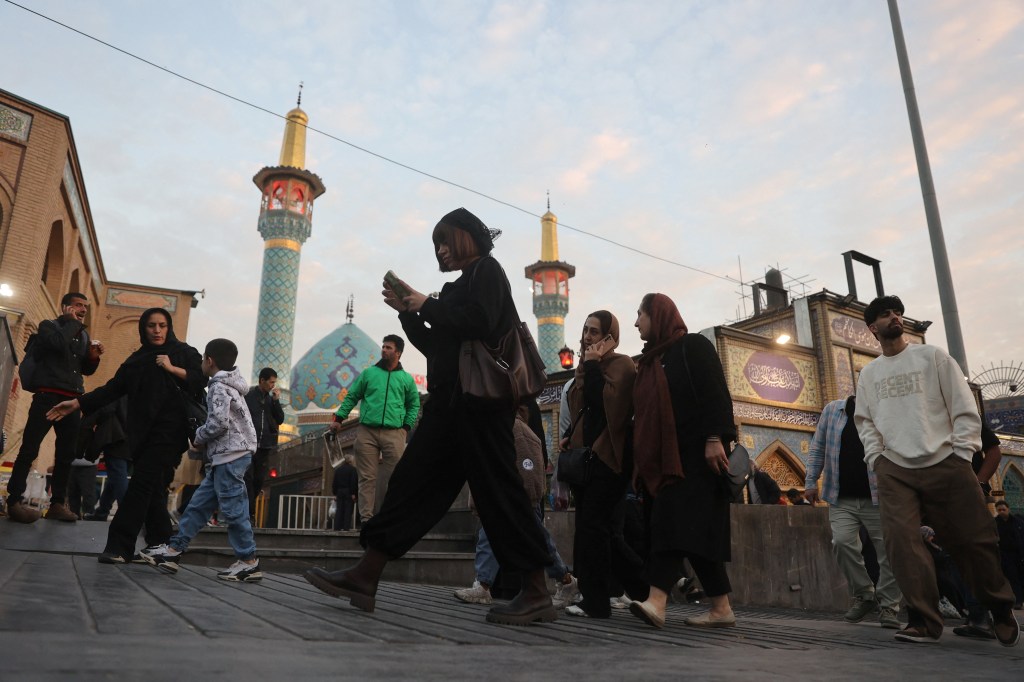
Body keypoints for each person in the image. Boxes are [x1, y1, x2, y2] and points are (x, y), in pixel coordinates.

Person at [303, 207, 555, 626]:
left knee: (499, 494)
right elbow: (439, 346)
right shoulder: (456, 288)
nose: (441, 250)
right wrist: (408, 311)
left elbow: (482, 321)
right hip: (450, 406)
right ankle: (367, 575)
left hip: (482, 407)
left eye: (445, 240)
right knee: (412, 485)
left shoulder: (488, 272)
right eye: (436, 244)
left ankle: (536, 589)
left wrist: (427, 304)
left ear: (465, 237)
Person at [854, 294, 1019, 646]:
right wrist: (877, 458)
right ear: (873, 328)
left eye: (898, 312)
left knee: (973, 541)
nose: (895, 318)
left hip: (947, 462)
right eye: (886, 315)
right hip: (894, 468)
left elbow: (963, 407)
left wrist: (961, 454)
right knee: (901, 543)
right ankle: (924, 621)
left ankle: (999, 608)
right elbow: (865, 421)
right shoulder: (869, 374)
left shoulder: (933, 358)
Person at [47, 308, 206, 564]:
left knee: (140, 485)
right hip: (142, 434)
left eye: (162, 325)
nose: (156, 331)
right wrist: (77, 403)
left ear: (169, 327)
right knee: (152, 489)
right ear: (143, 328)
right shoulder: (137, 360)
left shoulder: (183, 353)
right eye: (151, 326)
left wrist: (171, 367)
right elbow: (112, 389)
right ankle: (161, 545)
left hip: (169, 431)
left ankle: (119, 546)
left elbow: (199, 380)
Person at [628, 293, 738, 630]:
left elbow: (715, 393)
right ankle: (721, 609)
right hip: (668, 461)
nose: (636, 323)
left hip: (698, 457)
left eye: (640, 315)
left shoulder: (692, 347)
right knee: (697, 534)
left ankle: (657, 602)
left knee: (670, 525)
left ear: (657, 315)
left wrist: (714, 437)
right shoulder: (649, 362)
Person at [142, 339, 262, 582]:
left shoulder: (218, 387)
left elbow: (219, 422)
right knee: (198, 506)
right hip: (226, 456)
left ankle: (248, 561)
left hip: (231, 454)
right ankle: (174, 551)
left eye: (202, 359)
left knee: (233, 510)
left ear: (209, 361)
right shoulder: (233, 386)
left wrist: (198, 436)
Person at [562, 310, 647, 618]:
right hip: (588, 459)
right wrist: (571, 437)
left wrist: (594, 365)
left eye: (595, 332)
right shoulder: (585, 368)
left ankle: (598, 602)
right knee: (598, 531)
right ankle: (643, 589)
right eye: (585, 330)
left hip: (611, 459)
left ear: (611, 337)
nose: (587, 336)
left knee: (594, 529)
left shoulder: (622, 365)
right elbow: (586, 411)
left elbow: (606, 403)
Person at [455, 404, 577, 607]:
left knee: (540, 541)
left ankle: (566, 580)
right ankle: (483, 585)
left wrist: (526, 501)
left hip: (520, 501)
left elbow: (529, 468)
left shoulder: (518, 429)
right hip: (500, 498)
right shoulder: (495, 427)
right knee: (489, 537)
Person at [805, 396, 902, 629]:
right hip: (841, 496)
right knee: (842, 542)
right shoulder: (832, 411)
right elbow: (818, 446)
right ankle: (865, 594)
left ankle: (889, 606)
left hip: (878, 497)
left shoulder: (885, 409)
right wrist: (811, 481)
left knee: (887, 552)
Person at [6, 292, 102, 523]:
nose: (82, 310)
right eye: (78, 306)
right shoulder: (49, 325)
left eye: (85, 308)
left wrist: (93, 357)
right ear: (65, 307)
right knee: (30, 448)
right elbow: (56, 344)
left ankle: (58, 503)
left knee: (66, 454)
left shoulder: (83, 334)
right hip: (47, 397)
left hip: (71, 402)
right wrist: (71, 323)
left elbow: (85, 371)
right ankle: (13, 501)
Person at [329, 334, 420, 524]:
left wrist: (406, 427)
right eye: (384, 346)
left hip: (394, 433)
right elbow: (352, 397)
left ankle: (388, 518)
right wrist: (339, 418)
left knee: (394, 479)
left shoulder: (406, 379)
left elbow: (413, 405)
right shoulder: (369, 374)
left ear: (398, 353)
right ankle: (367, 520)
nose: (384, 350)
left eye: (389, 348)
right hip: (367, 431)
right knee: (366, 478)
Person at [244, 367, 284, 520]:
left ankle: (249, 509)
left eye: (274, 382)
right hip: (248, 445)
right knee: (247, 478)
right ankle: (249, 514)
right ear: (262, 380)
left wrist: (276, 401)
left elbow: (280, 419)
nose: (273, 385)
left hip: (265, 446)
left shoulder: (270, 399)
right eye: (271, 382)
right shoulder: (248, 396)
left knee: (258, 480)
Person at [84, 399, 130, 521]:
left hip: (116, 439)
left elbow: (106, 409)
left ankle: (127, 515)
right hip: (130, 440)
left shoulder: (122, 389)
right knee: (114, 479)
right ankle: (102, 512)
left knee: (118, 477)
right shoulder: (140, 391)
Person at [994, 501, 1024, 610]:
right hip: (1004, 555)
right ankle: (1015, 600)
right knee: (1010, 578)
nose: (1001, 512)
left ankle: (1019, 600)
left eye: (1003, 509)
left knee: (1018, 577)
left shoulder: (1017, 522)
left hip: (1018, 554)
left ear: (1008, 509)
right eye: (999, 510)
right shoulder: (995, 523)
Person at [332, 455, 358, 531]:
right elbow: (353, 482)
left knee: (339, 509)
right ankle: (346, 527)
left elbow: (334, 483)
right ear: (350, 461)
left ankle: (337, 527)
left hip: (339, 492)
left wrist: (335, 493)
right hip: (348, 492)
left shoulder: (338, 470)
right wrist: (353, 493)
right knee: (348, 510)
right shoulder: (353, 469)